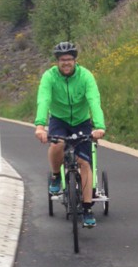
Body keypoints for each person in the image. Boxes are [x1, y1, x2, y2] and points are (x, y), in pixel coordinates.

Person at [34, 41, 106, 228]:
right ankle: (56, 175)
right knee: (56, 144)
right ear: (57, 61)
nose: (66, 63)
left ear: (75, 60)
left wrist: (99, 126)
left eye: (69, 59)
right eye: (62, 60)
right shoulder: (49, 77)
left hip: (81, 121)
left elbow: (93, 100)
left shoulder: (86, 76)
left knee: (84, 163)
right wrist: (40, 125)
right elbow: (44, 99)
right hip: (59, 119)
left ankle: (88, 209)